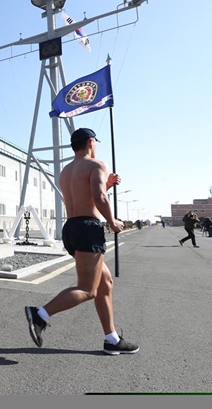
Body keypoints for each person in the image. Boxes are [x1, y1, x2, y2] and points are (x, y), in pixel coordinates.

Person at [24, 128, 139, 355]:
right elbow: (98, 198)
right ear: (90, 142)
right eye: (96, 142)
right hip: (88, 229)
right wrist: (112, 220)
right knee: (88, 289)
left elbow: (86, 196)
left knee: (105, 284)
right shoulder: (97, 165)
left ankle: (112, 339)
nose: (96, 145)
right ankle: (40, 315)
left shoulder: (66, 171)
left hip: (72, 228)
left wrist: (107, 185)